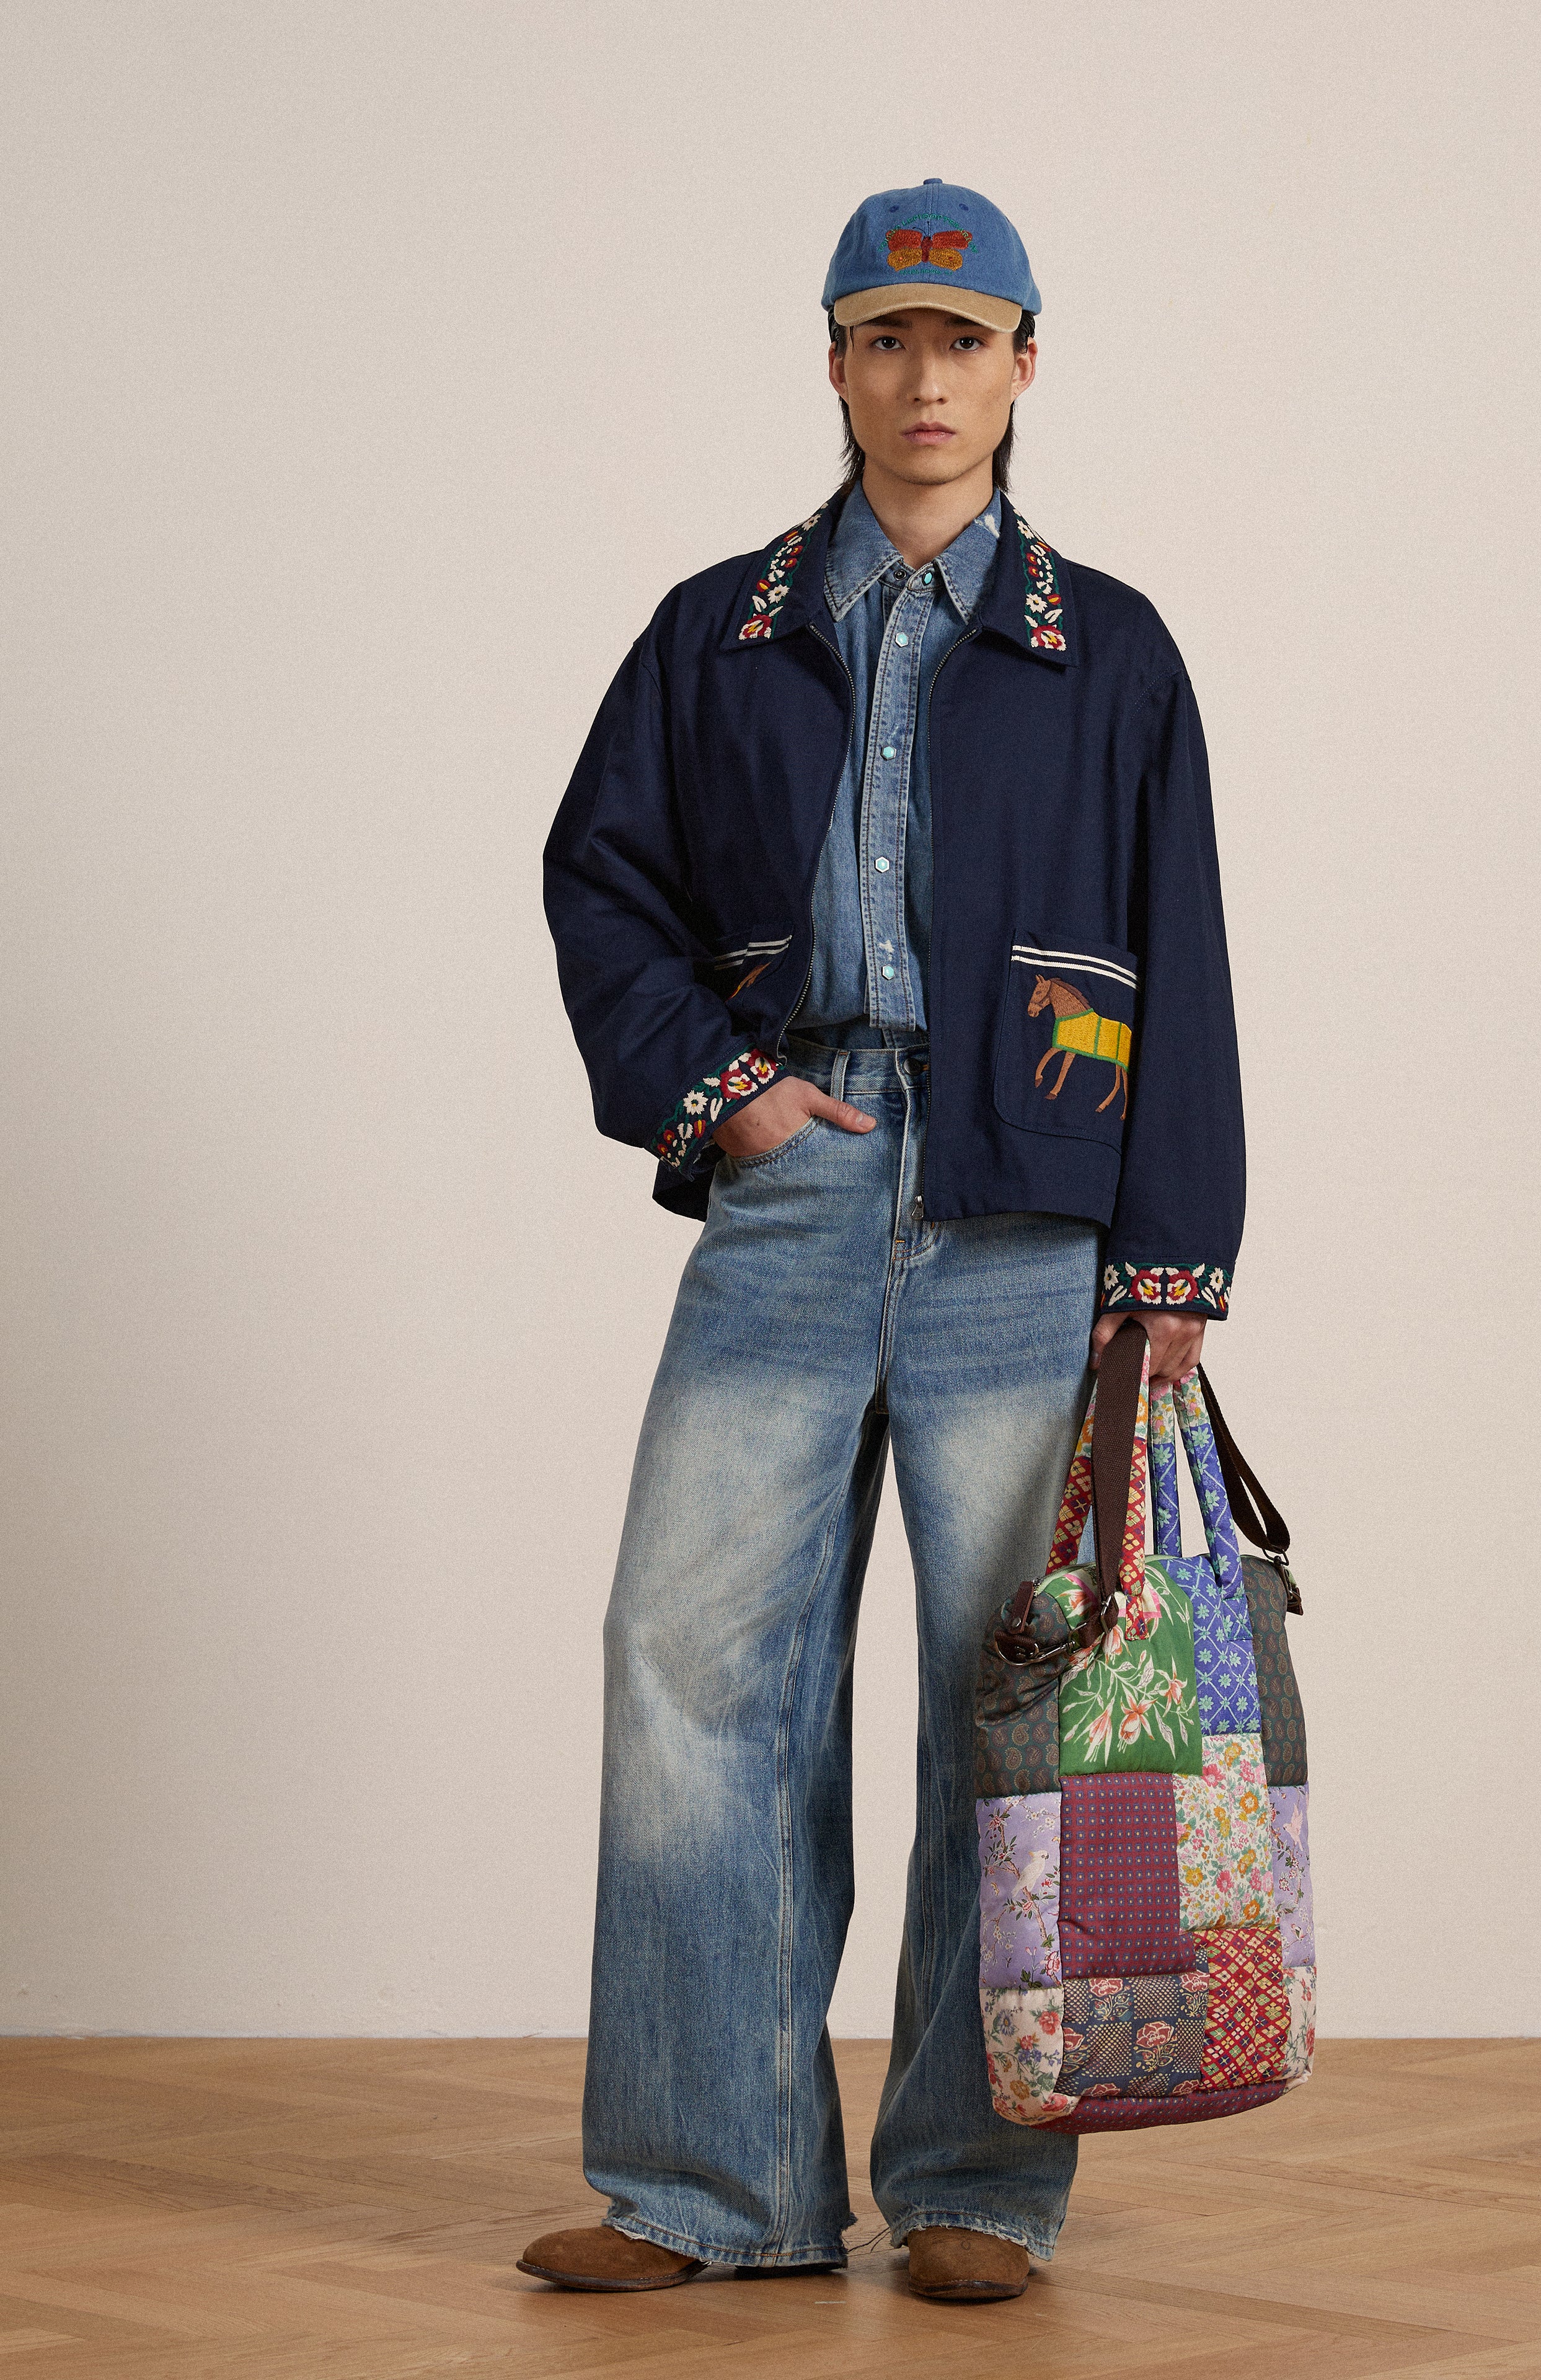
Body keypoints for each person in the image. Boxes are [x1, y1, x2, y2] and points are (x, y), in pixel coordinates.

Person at [520, 177, 1244, 2305]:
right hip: (795, 1185)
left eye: (966, 339)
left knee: (996, 1701)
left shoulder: (1109, 648)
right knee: (689, 1665)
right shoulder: (712, 632)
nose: (925, 381)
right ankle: (707, 2185)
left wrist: (1170, 1264)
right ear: (835, 363)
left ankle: (971, 2186)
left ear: (1029, 363)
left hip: (1034, 1207)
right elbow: (600, 882)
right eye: (884, 340)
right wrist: (718, 1088)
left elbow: (1180, 955)